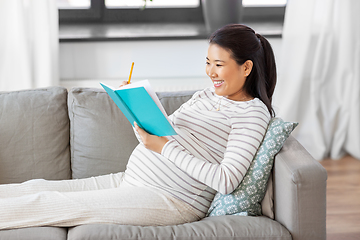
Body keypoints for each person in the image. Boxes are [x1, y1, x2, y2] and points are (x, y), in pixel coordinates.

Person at [0, 24, 277, 230]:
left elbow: (226, 180)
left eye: (219, 64)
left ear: (246, 68)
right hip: (133, 180)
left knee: (46, 203)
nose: (210, 72)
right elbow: (167, 131)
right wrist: (137, 109)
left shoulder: (251, 114)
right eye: (207, 63)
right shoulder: (207, 95)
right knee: (36, 187)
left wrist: (163, 147)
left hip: (170, 199)